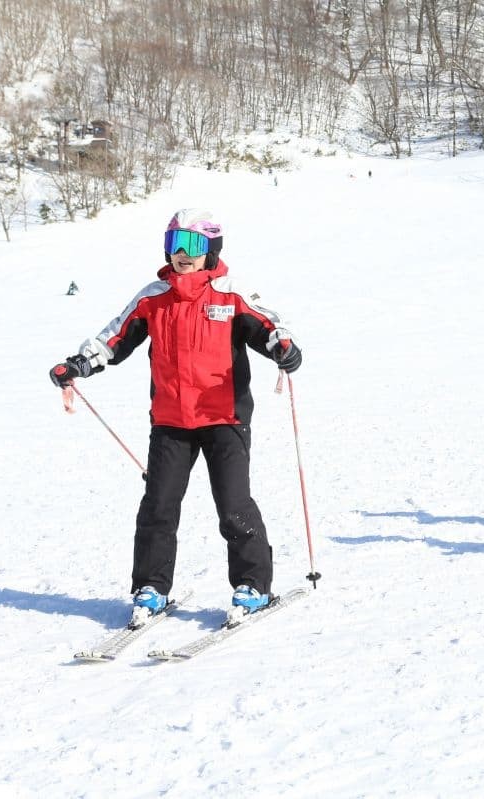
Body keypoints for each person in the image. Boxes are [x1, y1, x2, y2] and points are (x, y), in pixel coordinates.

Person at [48, 209, 303, 625]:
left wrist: (282, 347)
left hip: (224, 417)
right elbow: (115, 336)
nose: (182, 254)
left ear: (211, 250)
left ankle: (253, 585)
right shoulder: (154, 296)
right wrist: (80, 364)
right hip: (170, 421)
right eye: (174, 244)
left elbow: (269, 325)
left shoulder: (229, 293)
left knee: (233, 506)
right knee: (158, 507)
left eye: (193, 245)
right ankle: (151, 588)